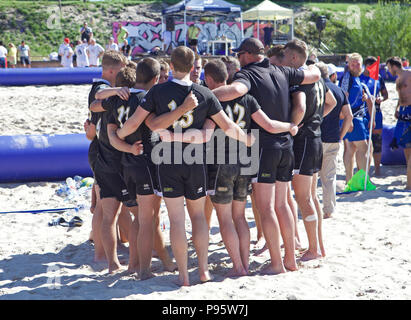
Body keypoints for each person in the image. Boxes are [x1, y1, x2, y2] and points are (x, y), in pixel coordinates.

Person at [117, 46, 254, 286]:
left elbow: (134, 123)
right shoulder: (204, 93)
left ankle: (183, 275)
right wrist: (247, 140)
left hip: (167, 160)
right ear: (192, 69)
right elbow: (228, 126)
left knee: (177, 220)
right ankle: (203, 270)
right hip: (195, 161)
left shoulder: (157, 91)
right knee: (199, 217)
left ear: (170, 66)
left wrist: (119, 134)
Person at [213, 37, 321, 274]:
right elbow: (314, 75)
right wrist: (312, 64)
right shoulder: (283, 71)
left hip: (264, 147)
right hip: (286, 144)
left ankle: (276, 263)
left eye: (240, 55)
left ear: (249, 54)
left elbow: (234, 91)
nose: (239, 60)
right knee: (282, 205)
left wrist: (204, 94)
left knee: (266, 208)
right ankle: (290, 259)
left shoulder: (247, 75)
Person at [204, 59, 299, 276]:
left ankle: (239, 266)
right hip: (245, 163)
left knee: (226, 218)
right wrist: (290, 126)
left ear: (209, 80)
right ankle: (246, 263)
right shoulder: (248, 98)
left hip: (222, 163)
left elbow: (207, 132)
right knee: (240, 217)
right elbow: (268, 125)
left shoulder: (212, 100)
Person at [90, 60, 177, 278]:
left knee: (116, 216)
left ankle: (120, 264)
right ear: (156, 79)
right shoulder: (147, 100)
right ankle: (144, 268)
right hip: (145, 162)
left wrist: (128, 148)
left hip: (124, 162)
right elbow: (160, 125)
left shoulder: (116, 102)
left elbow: (105, 125)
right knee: (148, 219)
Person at [282, 40, 337, 261]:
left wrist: (293, 126)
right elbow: (331, 102)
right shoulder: (317, 78)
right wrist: (316, 119)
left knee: (304, 198)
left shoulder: (301, 79)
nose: (284, 60)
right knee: (312, 197)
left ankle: (313, 249)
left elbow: (301, 106)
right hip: (316, 138)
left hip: (304, 141)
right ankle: (319, 246)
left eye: (286, 56)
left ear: (294, 58)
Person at [316, 62, 353, 219]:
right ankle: (329, 209)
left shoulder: (314, 88)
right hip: (332, 138)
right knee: (329, 177)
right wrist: (341, 136)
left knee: (310, 177)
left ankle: (312, 208)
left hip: (314, 137)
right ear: (330, 75)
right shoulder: (339, 91)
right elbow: (349, 116)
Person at [339, 53, 374, 184]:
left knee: (350, 148)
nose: (355, 66)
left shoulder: (356, 78)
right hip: (353, 117)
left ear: (361, 65)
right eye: (352, 63)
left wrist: (363, 98)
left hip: (353, 117)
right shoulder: (347, 77)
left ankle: (350, 181)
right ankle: (361, 180)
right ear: (348, 64)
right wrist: (348, 119)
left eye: (357, 63)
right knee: (364, 148)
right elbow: (343, 97)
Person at [360, 56, 389, 176]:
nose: (373, 70)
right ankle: (363, 169)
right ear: (366, 66)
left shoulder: (378, 78)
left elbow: (385, 94)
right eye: (371, 68)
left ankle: (377, 169)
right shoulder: (359, 78)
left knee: (377, 141)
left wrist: (381, 98)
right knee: (363, 142)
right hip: (362, 113)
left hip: (376, 112)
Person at [386, 56, 411, 190]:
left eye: (389, 67)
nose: (388, 70)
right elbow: (401, 95)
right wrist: (397, 108)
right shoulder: (397, 80)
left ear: (394, 66)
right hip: (402, 111)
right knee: (405, 146)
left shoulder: (409, 74)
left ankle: (409, 183)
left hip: (410, 110)